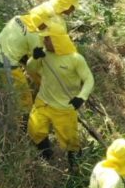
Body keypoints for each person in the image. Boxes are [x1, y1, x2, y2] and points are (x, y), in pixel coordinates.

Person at [27, 20, 94, 166]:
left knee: (70, 141)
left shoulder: (75, 59)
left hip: (65, 108)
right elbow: (30, 69)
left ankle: (75, 166)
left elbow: (89, 79)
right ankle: (46, 156)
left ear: (56, 40)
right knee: (35, 130)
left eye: (47, 38)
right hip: (43, 102)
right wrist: (34, 58)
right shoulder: (44, 54)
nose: (44, 41)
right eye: (44, 38)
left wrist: (81, 97)